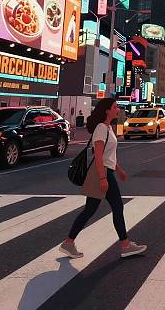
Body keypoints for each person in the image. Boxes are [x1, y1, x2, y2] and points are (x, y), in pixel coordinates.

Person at [60, 98, 147, 259]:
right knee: (115, 207)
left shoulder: (108, 128)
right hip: (101, 172)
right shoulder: (101, 128)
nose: (118, 109)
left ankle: (69, 242)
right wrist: (102, 178)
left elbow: (108, 155)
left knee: (92, 209)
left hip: (107, 171)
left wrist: (119, 170)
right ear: (107, 110)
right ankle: (125, 245)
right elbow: (98, 155)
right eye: (115, 107)